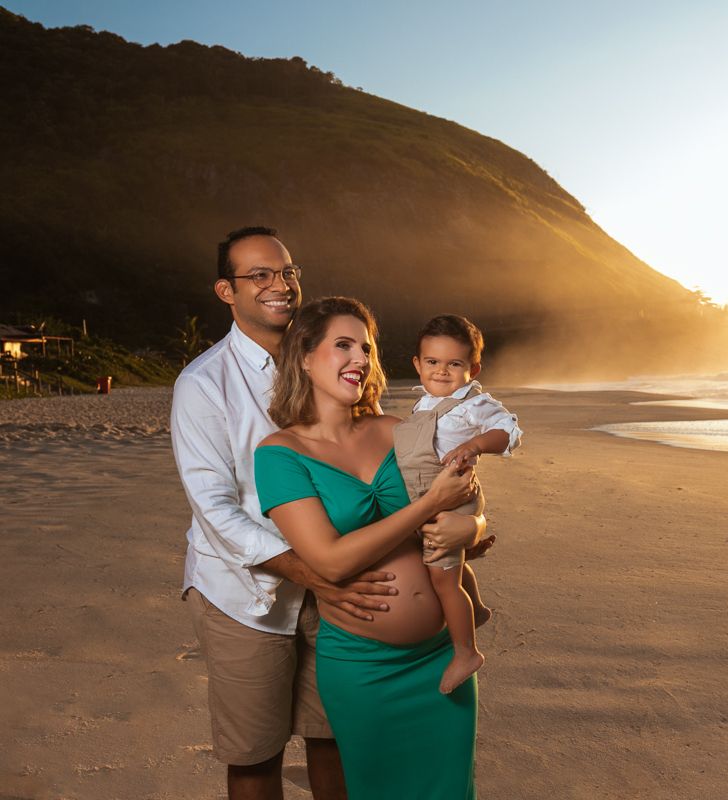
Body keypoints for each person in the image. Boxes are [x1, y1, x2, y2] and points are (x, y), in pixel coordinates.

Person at [171, 228, 488, 800]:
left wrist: (468, 528)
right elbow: (214, 508)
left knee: (331, 741)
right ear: (227, 290)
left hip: (345, 603)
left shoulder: (340, 370)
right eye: (259, 275)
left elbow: (439, 491)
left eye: (288, 271)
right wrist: (318, 574)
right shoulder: (203, 383)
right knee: (255, 753)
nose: (279, 284)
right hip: (249, 593)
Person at [254, 297, 485, 800]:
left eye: (366, 347)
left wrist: (473, 526)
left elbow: (461, 498)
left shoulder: (396, 430)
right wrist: (427, 510)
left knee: (451, 792)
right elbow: (329, 560)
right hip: (363, 668)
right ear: (304, 357)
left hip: (441, 659)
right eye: (343, 345)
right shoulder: (279, 455)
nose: (360, 358)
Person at [396, 314, 521, 693]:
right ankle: (477, 609)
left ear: (472, 369)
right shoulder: (422, 404)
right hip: (425, 498)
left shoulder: (474, 403)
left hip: (453, 502)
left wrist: (475, 444)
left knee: (442, 577)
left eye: (455, 364)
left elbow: (509, 432)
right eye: (432, 362)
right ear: (418, 364)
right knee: (448, 567)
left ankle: (466, 650)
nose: (442, 371)